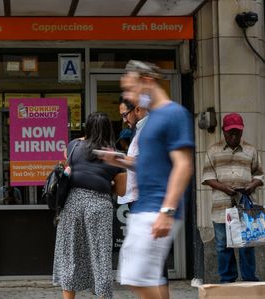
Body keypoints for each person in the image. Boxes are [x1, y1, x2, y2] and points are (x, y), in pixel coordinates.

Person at [102, 60, 194, 299]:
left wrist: (167, 210)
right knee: (149, 278)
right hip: (144, 206)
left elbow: (183, 165)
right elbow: (151, 164)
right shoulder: (150, 121)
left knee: (135, 278)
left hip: (157, 208)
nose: (129, 96)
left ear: (148, 82)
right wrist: (120, 161)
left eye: (131, 89)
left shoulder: (173, 114)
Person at [53, 112, 127, 299]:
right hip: (99, 204)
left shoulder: (74, 146)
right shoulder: (115, 157)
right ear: (109, 130)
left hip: (73, 203)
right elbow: (122, 191)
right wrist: (106, 183)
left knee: (70, 254)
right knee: (100, 256)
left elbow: (67, 165)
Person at [202, 113, 263, 283]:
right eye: (231, 133)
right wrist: (224, 188)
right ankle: (227, 279)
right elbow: (207, 177)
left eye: (238, 133)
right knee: (222, 245)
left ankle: (249, 279)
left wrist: (252, 185)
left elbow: (260, 174)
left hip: (245, 205)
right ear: (223, 131)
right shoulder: (213, 151)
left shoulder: (250, 150)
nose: (234, 136)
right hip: (221, 206)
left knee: (247, 244)